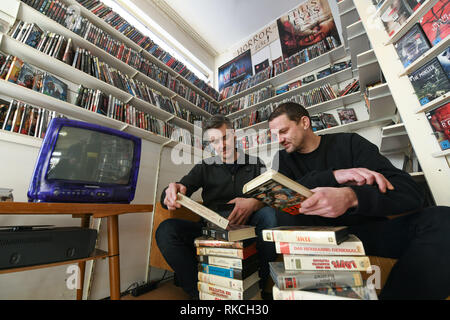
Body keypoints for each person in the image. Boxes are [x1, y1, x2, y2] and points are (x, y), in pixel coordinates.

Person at [267, 102, 450, 300]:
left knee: (442, 218)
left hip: (364, 234)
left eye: (283, 131)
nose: (279, 140)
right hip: (313, 243)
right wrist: (334, 176)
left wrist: (352, 197)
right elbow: (282, 201)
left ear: (304, 122)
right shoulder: (283, 160)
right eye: (275, 135)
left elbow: (409, 193)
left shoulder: (349, 143)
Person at [155, 115, 278, 300]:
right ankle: (199, 294)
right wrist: (170, 192)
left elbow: (269, 197)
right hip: (211, 228)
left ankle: (257, 288)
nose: (221, 145)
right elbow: (182, 188)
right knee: (166, 230)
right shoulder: (204, 166)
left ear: (234, 135)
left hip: (247, 227)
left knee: (270, 215)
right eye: (214, 141)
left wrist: (254, 203)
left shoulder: (255, 164)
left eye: (224, 138)